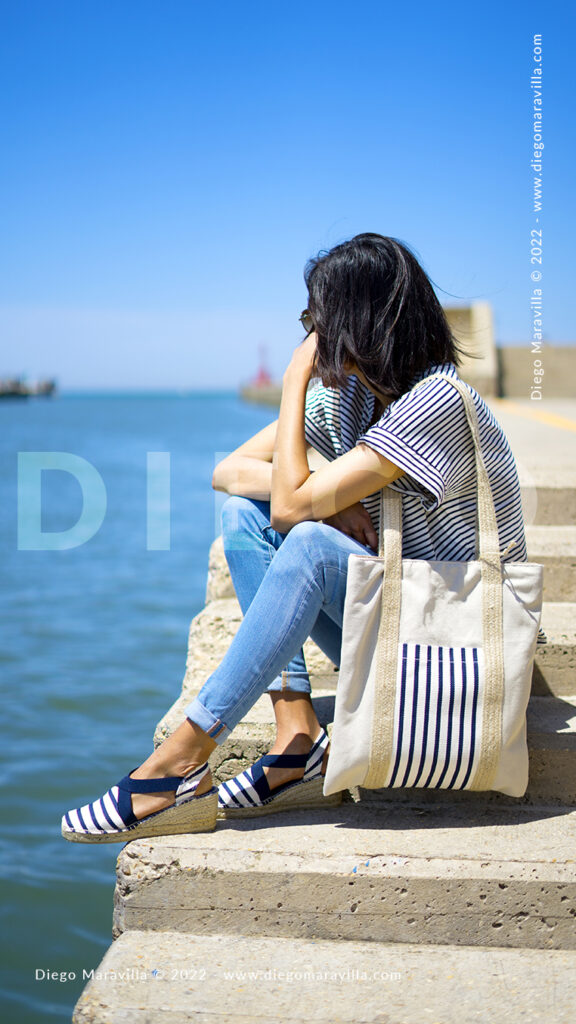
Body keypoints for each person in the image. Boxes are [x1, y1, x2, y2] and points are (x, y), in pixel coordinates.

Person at [62, 233, 527, 842]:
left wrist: (292, 382)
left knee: (303, 542)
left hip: (457, 647)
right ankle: (297, 737)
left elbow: (289, 506)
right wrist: (335, 503)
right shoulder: (357, 396)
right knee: (241, 517)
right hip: (405, 630)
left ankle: (177, 762)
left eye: (317, 318)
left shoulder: (435, 399)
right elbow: (228, 472)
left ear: (358, 319)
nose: (311, 335)